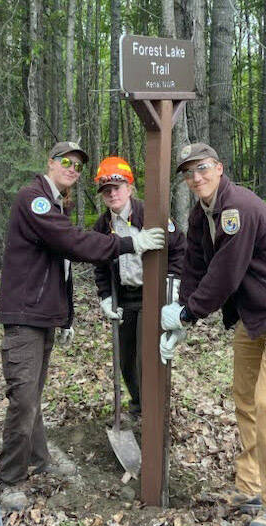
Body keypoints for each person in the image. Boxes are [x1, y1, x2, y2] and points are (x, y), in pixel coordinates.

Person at [0, 142, 166, 510]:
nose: (72, 168)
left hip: (43, 315)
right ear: (50, 164)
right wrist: (128, 243)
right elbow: (73, 244)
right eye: (65, 162)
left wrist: (67, 316)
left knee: (33, 397)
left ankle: (39, 460)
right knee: (24, 399)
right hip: (24, 315)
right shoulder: (35, 199)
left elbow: (63, 264)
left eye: (77, 165)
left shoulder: (58, 204)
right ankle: (10, 479)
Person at [159, 142, 266, 526]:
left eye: (202, 168)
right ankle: (250, 485)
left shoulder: (237, 208)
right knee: (245, 400)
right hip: (251, 319)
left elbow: (225, 274)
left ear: (219, 168)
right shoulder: (201, 213)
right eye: (189, 173)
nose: (196, 178)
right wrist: (181, 309)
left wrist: (189, 314)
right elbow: (195, 265)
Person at [93, 156, 186, 418]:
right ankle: (137, 405)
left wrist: (173, 286)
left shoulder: (151, 215)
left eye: (117, 187)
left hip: (151, 294)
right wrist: (105, 296)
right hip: (124, 296)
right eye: (106, 190)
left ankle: (154, 411)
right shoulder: (103, 226)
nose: (112, 194)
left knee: (148, 357)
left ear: (130, 187)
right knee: (126, 358)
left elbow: (179, 248)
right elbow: (99, 264)